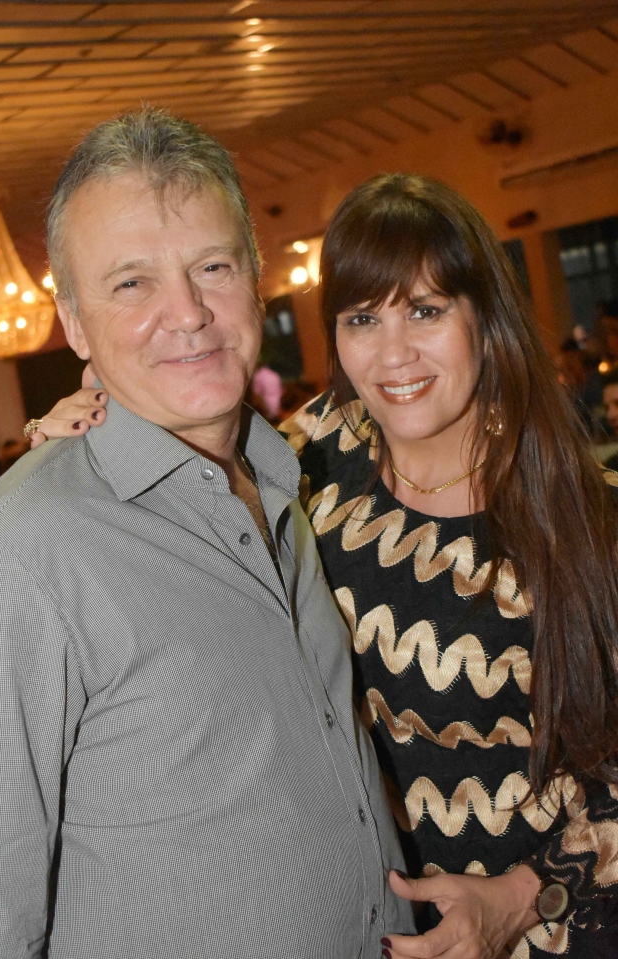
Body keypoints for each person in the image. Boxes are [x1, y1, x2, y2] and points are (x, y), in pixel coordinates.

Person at [32, 174, 618, 958]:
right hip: (372, 927)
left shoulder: (589, 521)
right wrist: (85, 421)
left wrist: (519, 897)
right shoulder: (306, 462)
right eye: (363, 317)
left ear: (486, 319)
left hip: (558, 927)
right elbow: (176, 440)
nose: (394, 353)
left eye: (426, 310)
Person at [0, 110, 416, 959]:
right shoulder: (24, 553)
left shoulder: (296, 477)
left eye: (212, 267)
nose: (187, 313)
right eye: (131, 283)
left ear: (255, 280)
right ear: (74, 321)